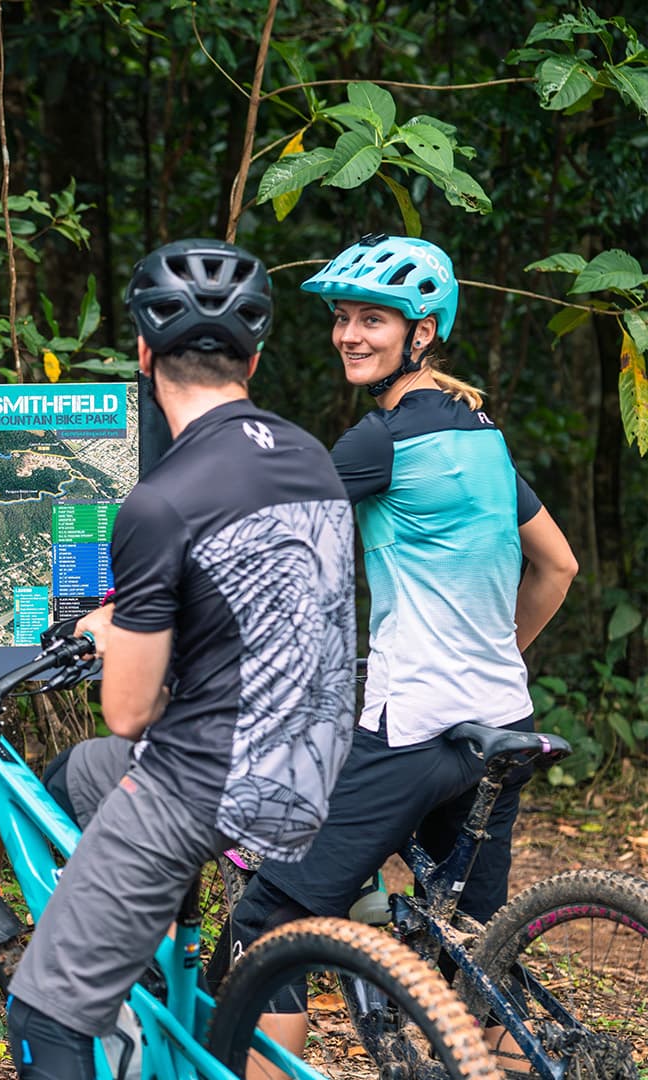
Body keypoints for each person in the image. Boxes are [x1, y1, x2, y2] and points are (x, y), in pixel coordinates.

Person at [5, 239, 358, 1079]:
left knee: (42, 1013)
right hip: (316, 773)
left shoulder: (160, 501)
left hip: (205, 785)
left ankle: (93, 985)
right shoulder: (313, 459)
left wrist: (118, 636)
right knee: (87, 772)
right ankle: (149, 973)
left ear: (142, 352)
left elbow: (129, 711)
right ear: (255, 359)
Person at [227, 233, 578, 1057]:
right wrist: (496, 653)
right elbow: (557, 564)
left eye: (373, 320)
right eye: (343, 318)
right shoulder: (483, 437)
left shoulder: (379, 442)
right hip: (500, 720)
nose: (349, 334)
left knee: (270, 918)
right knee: (475, 944)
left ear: (422, 334)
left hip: (415, 723)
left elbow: (259, 531)